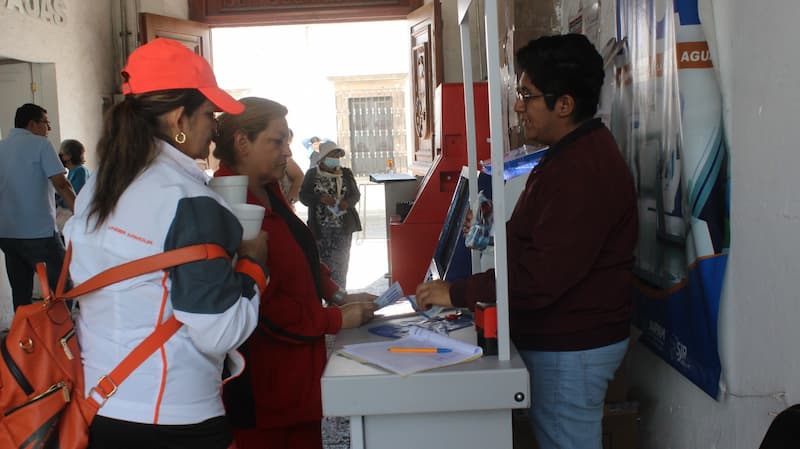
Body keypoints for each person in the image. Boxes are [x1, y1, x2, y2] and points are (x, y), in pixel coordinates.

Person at [415, 34, 638, 449]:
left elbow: (541, 277)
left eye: (527, 95)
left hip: (572, 348)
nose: (519, 106)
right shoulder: (568, 155)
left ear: (565, 105)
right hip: (564, 340)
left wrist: (457, 291)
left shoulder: (582, 171)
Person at [62, 38, 268, 449]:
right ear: (179, 118)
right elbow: (220, 331)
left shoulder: (100, 186)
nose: (215, 127)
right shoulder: (188, 201)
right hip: (177, 415)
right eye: (209, 114)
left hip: (100, 405)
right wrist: (253, 265)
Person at [212, 97, 376, 449]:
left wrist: (336, 293)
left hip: (298, 372)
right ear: (242, 142)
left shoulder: (270, 190)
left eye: (288, 140)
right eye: (277, 141)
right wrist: (333, 319)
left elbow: (300, 252)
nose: (287, 151)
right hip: (263, 380)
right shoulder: (229, 204)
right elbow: (262, 305)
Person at [0, 103, 76, 310]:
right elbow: (61, 183)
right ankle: (63, 335)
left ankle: (25, 339)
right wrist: (82, 212)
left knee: (21, 293)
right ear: (32, 124)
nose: (48, 129)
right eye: (45, 123)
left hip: (7, 234)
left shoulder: (1, 147)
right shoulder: (41, 145)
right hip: (39, 234)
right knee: (63, 286)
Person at [299, 141, 362, 289]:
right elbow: (303, 196)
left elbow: (355, 195)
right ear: (323, 157)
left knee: (340, 265)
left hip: (343, 228)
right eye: (332, 155)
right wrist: (319, 199)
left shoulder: (345, 173)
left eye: (338, 155)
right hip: (320, 228)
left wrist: (347, 202)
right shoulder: (312, 174)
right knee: (322, 266)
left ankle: (339, 300)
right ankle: (324, 297)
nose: (336, 158)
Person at [278, 129, 303, 206]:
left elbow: (299, 176)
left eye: (287, 144)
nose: (289, 152)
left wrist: (289, 201)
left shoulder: (285, 158)